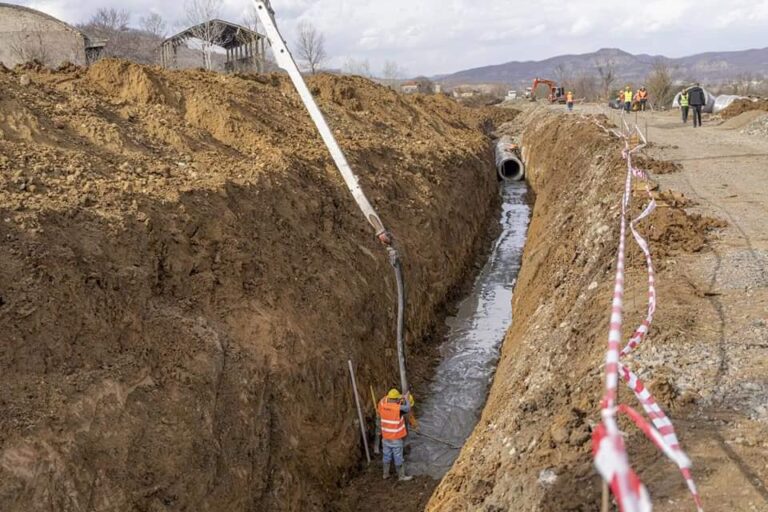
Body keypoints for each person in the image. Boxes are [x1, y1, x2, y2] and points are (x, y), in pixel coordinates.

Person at [378, 388, 414, 481]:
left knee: (386, 455)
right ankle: (401, 476)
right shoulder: (397, 409)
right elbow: (407, 408)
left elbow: (385, 399)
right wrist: (405, 398)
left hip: (385, 437)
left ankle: (385, 474)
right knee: (398, 457)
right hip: (395, 438)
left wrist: (399, 397)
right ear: (396, 400)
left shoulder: (382, 403)